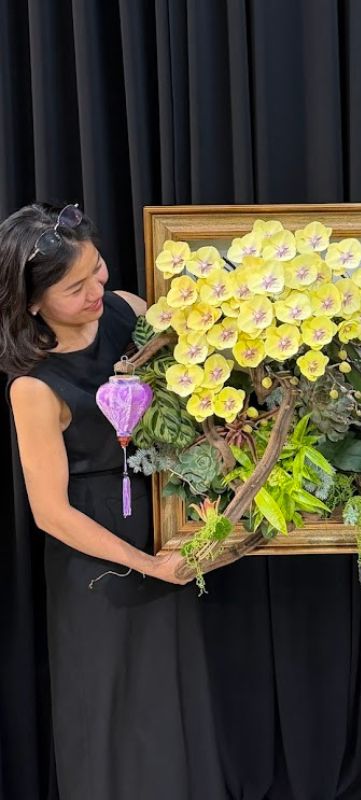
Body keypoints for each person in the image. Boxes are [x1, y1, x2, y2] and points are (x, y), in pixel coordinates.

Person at [1, 202, 229, 799]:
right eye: (75, 287)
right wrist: (149, 565)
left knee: (172, 701)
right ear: (32, 303)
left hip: (162, 526)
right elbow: (50, 512)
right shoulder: (33, 386)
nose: (97, 290)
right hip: (97, 560)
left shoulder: (130, 310)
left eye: (96, 269)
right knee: (109, 711)